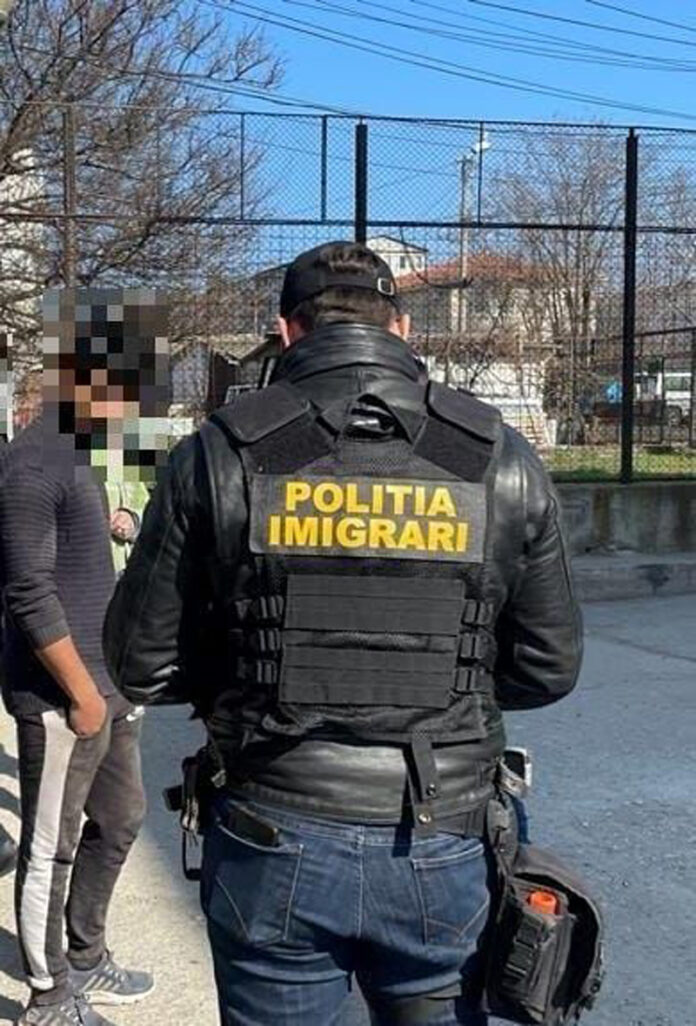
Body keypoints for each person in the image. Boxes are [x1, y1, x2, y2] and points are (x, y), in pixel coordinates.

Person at [104, 241, 582, 1026]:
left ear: (286, 332)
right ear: (402, 328)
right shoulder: (495, 453)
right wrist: (441, 682)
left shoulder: (222, 450)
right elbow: (547, 667)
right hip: (444, 830)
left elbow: (139, 664)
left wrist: (256, 672)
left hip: (272, 825)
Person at [0, 292, 156, 1026]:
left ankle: (86, 954)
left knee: (121, 818)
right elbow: (28, 593)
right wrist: (82, 696)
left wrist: (116, 684)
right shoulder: (32, 463)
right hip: (63, 699)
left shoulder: (81, 454)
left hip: (108, 688)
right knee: (49, 849)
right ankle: (49, 995)